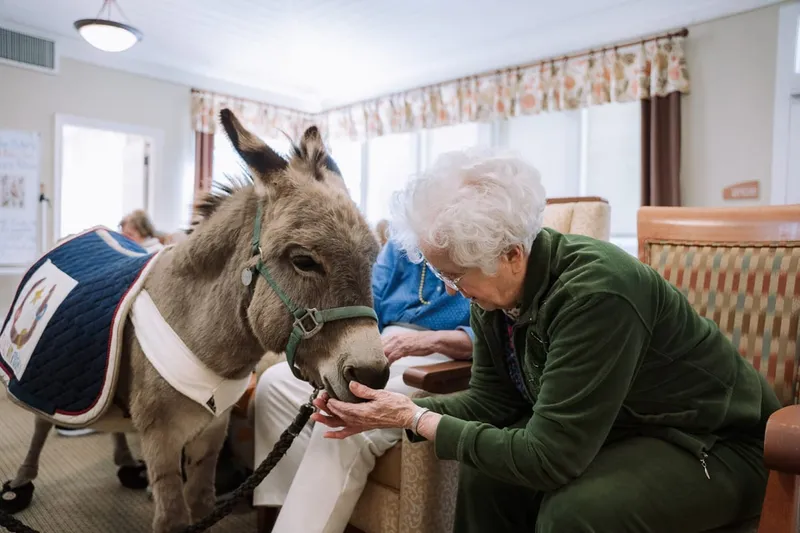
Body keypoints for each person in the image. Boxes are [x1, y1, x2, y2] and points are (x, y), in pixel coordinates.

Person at [311, 147, 781, 533]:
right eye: (440, 272)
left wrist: (416, 417)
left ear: (512, 254)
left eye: (455, 274)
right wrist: (387, 414)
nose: (451, 289)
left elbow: (550, 458)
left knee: (576, 513)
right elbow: (490, 405)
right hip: (622, 427)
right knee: (483, 476)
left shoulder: (597, 293)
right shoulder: (495, 292)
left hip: (714, 445)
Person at [252, 237, 474, 532]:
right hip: (382, 345)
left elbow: (492, 337)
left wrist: (422, 341)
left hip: (442, 357)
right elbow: (368, 301)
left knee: (346, 415)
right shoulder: (401, 243)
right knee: (275, 385)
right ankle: (290, 514)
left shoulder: (478, 243)